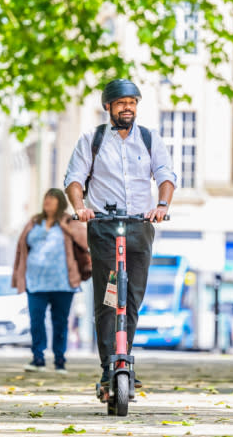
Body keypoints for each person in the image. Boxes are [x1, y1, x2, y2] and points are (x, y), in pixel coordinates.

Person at [63, 79, 176, 389]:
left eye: (133, 102)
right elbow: (74, 179)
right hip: (103, 227)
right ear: (108, 107)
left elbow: (166, 176)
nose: (128, 107)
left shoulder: (151, 140)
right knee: (110, 299)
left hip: (139, 226)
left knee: (132, 299)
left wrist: (162, 205)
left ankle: (123, 357)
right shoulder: (92, 139)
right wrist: (80, 207)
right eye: (121, 102)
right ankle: (108, 364)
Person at [12, 189, 88, 373]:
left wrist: (68, 228)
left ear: (60, 202)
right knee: (36, 320)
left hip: (63, 283)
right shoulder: (34, 222)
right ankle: (38, 357)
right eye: (46, 199)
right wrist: (18, 275)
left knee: (60, 322)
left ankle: (60, 360)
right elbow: (21, 248)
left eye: (52, 200)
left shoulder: (69, 221)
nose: (47, 203)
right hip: (36, 282)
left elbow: (85, 241)